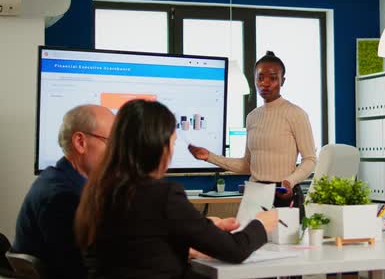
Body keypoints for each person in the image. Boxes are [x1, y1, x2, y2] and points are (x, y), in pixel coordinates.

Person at [75, 99, 278, 279]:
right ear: (158, 146)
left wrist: (205, 227)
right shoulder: (163, 195)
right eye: (172, 143)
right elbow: (235, 250)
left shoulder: (98, 190)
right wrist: (260, 223)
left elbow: (143, 242)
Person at [188, 51, 317, 211]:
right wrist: (209, 157)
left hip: (284, 193)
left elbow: (310, 159)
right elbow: (247, 165)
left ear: (282, 81)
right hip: (255, 193)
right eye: (260, 78)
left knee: (284, 237)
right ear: (254, 80)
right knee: (249, 236)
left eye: (273, 78)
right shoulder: (252, 117)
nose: (265, 83)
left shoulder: (296, 114)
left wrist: (290, 182)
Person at [13, 104, 115, 279]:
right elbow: (79, 270)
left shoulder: (57, 179)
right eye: (111, 142)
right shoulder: (62, 198)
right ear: (80, 142)